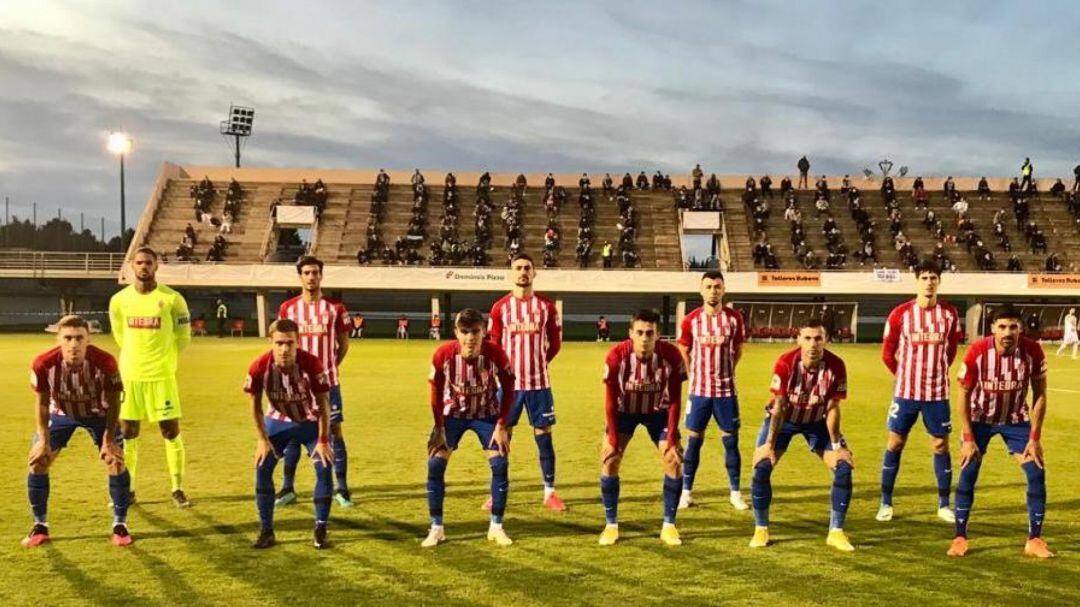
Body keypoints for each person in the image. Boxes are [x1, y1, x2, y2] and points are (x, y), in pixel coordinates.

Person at [948, 306, 1053, 558]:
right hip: (980, 419)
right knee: (969, 469)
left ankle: (1034, 540)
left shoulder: (1033, 351)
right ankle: (960, 537)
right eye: (1003, 326)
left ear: (1021, 329)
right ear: (993, 328)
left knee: (1036, 470)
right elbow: (962, 394)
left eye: (1013, 326)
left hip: (1016, 420)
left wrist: (1034, 438)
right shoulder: (977, 352)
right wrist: (968, 438)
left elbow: (1040, 395)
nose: (1008, 332)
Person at [22, 315, 132, 548]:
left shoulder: (106, 362)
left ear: (88, 340)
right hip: (61, 413)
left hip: (99, 413)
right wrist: (43, 440)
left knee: (116, 461)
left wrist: (109, 438)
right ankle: (40, 525)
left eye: (79, 338)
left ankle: (120, 525)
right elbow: (42, 403)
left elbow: (114, 402)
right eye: (68, 338)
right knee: (38, 460)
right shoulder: (43, 364)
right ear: (58, 340)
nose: (73, 344)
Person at [749, 319, 854, 552]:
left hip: (817, 422)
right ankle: (761, 529)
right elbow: (779, 405)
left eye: (818, 338)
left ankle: (836, 532)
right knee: (762, 465)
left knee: (843, 467)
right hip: (784, 420)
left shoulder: (836, 365)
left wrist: (837, 445)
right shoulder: (786, 362)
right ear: (798, 340)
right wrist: (768, 444)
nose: (813, 344)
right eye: (807, 338)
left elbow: (833, 407)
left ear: (825, 339)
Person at [878, 259, 962, 523]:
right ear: (917, 281)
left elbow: (950, 352)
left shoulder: (949, 314)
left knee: (940, 445)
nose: (929, 282)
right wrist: (905, 376)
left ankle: (943, 504)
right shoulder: (900, 313)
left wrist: (933, 374)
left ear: (939, 281)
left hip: (937, 394)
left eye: (933, 277)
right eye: (924, 277)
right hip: (905, 392)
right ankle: (885, 502)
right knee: (895, 442)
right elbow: (887, 354)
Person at [422, 309, 515, 548]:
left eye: (475, 331)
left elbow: (509, 386)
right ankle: (436, 528)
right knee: (435, 463)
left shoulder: (495, 353)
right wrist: (439, 426)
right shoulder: (443, 354)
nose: (470, 337)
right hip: (452, 414)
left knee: (500, 463)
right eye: (464, 332)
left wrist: (502, 424)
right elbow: (435, 391)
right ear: (456, 333)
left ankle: (496, 526)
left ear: (483, 332)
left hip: (486, 414)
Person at [109, 247, 192, 508]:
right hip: (131, 375)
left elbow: (183, 337)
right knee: (128, 432)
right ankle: (129, 488)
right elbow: (120, 335)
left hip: (161, 376)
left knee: (170, 431)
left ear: (156, 266)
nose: (143, 267)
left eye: (148, 263)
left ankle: (177, 487)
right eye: (139, 263)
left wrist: (165, 360)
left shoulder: (172, 299)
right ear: (132, 267)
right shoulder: (119, 300)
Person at [598, 309, 687, 546]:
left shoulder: (671, 355)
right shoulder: (616, 357)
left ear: (658, 335)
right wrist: (613, 439)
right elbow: (609, 401)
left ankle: (669, 525)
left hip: (658, 413)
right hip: (623, 412)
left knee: (673, 460)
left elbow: (676, 399)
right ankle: (611, 525)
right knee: (609, 459)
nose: (645, 338)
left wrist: (671, 439)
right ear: (630, 334)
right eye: (640, 333)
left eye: (650, 333)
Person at [246, 319, 335, 550]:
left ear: (298, 342)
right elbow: (254, 405)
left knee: (324, 466)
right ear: (270, 342)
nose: (284, 349)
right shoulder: (259, 366)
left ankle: (321, 529)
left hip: (311, 422)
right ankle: (266, 531)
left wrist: (324, 440)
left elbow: (324, 402)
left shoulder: (311, 364)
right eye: (279, 343)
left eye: (289, 343)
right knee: (262, 466)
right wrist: (262, 440)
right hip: (277, 423)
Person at [487, 253, 565, 511]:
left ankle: (550, 492)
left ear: (534, 273)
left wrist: (540, 362)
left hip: (539, 384)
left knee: (543, 436)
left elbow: (555, 344)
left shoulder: (546, 308)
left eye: (527, 268)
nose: (522, 272)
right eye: (518, 268)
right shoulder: (500, 308)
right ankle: (497, 491)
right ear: (512, 273)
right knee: (501, 436)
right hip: (508, 386)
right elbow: (494, 345)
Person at [275, 256, 353, 508]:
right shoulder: (288, 308)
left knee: (334, 431)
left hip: (328, 383)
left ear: (321, 276)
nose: (311, 277)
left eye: (315, 272)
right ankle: (287, 488)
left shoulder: (335, 308)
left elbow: (343, 345)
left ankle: (341, 488)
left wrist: (327, 369)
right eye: (307, 273)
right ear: (300, 276)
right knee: (292, 433)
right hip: (295, 384)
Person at [677, 271, 747, 511]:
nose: (713, 291)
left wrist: (727, 372)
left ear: (723, 290)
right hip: (699, 392)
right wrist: (694, 374)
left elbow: (738, 349)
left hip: (726, 392)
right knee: (694, 441)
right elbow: (684, 350)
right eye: (708, 287)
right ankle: (686, 492)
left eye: (717, 286)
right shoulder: (691, 320)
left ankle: (735, 493)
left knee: (731, 442)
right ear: (701, 290)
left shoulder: (734, 319)